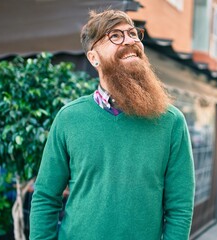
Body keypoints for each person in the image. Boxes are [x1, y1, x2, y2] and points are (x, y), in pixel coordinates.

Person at [30, 9, 195, 240]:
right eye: (115, 36)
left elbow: (180, 207)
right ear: (93, 57)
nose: (129, 40)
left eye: (132, 33)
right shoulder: (69, 118)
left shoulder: (171, 121)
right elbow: (46, 196)